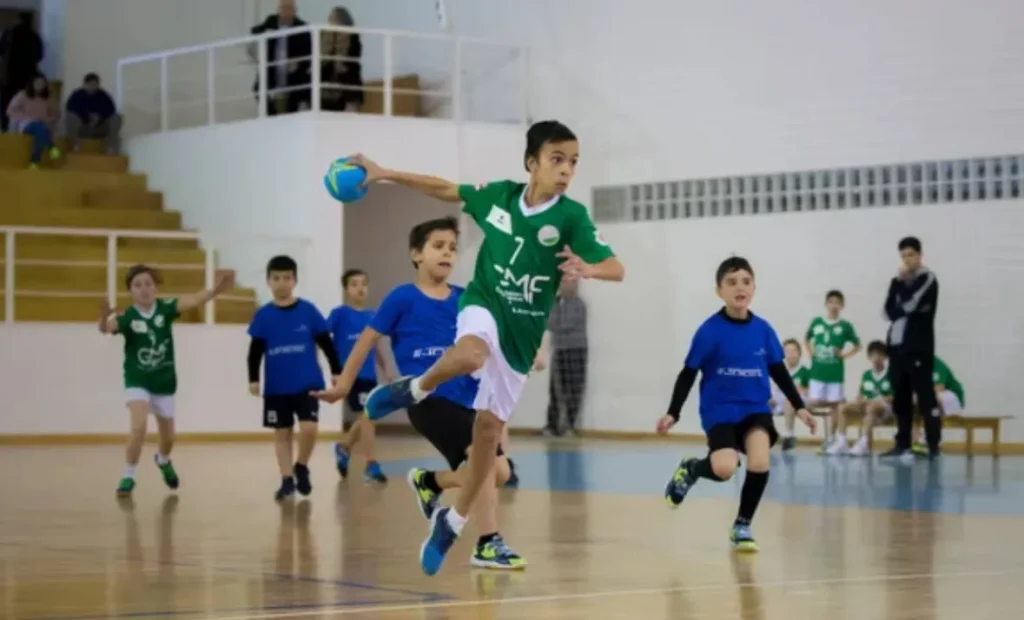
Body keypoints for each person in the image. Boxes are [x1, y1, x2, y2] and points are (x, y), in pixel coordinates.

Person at [338, 120, 625, 576]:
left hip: (521, 336)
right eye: (556, 159)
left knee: (489, 444)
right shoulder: (499, 197)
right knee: (470, 354)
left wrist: (589, 268)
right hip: (484, 303)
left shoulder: (570, 217)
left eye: (573, 162)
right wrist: (384, 172)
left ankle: (453, 522)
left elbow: (617, 267)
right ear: (531, 162)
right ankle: (413, 389)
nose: (566, 169)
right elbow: (443, 188)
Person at [313, 216, 525, 569]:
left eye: (453, 248)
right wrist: (344, 384)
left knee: (499, 472)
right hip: (428, 398)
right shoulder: (402, 297)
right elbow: (367, 340)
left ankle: (431, 481)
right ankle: (488, 543)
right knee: (482, 463)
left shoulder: (464, 298)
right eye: (438, 246)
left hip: (469, 398)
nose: (447, 253)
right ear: (416, 254)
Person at [656, 257, 816, 551]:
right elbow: (688, 373)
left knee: (758, 462)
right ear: (719, 291)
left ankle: (742, 525)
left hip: (755, 407)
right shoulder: (709, 331)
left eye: (745, 281)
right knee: (724, 468)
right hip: (720, 410)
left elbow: (778, 370)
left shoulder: (764, 330)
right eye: (731, 282)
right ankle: (692, 470)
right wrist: (673, 412)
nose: (739, 287)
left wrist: (800, 405)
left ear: (753, 287)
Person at [98, 265, 235, 497]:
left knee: (169, 437)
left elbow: (194, 300)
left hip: (164, 382)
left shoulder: (165, 309)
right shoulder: (128, 317)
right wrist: (103, 316)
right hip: (137, 380)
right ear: (130, 291)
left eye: (148, 284)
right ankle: (128, 475)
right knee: (138, 427)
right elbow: (105, 328)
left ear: (155, 287)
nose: (144, 289)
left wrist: (217, 287)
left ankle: (162, 460)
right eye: (138, 285)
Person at [247, 255, 342, 501]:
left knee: (309, 428)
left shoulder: (308, 311)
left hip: (307, 381)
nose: (281, 283)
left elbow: (326, 342)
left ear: (295, 280)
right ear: (268, 281)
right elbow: (255, 351)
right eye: (276, 278)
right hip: (277, 386)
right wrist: (253, 379)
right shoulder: (264, 315)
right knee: (282, 433)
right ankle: (287, 479)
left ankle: (301, 464)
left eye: (287, 278)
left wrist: (336, 370)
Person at [326, 268, 388, 483]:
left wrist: (386, 370)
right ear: (346, 289)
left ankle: (344, 448)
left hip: (370, 375)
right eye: (354, 284)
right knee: (368, 416)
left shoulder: (373, 315)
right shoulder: (339, 313)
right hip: (351, 374)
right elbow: (325, 341)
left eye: (363, 283)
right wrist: (335, 371)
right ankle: (371, 465)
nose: (360, 288)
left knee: (369, 417)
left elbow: (376, 346)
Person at [881, 236, 940, 459]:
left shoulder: (927, 278)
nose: (907, 260)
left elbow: (912, 304)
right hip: (896, 349)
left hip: (918, 348)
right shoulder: (897, 281)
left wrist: (902, 293)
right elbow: (886, 312)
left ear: (919, 255)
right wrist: (898, 285)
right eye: (903, 256)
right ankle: (902, 443)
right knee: (901, 398)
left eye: (911, 255)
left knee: (925, 397)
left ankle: (932, 444)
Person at [805, 290, 861, 456]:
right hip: (817, 372)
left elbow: (858, 345)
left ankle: (831, 438)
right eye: (831, 302)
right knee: (814, 402)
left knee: (836, 406)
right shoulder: (817, 322)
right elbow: (807, 338)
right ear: (826, 304)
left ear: (842, 306)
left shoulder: (845, 326)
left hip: (835, 373)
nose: (834, 305)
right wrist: (811, 351)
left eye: (837, 302)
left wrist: (844, 355)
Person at [543, 278, 588, 437]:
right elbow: (548, 322)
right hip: (559, 349)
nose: (563, 286)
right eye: (561, 283)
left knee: (574, 390)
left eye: (567, 283)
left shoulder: (579, 305)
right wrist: (556, 324)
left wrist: (557, 324)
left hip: (576, 349)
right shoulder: (554, 303)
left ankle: (569, 426)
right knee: (555, 390)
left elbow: (567, 324)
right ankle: (552, 426)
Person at [249, 0, 312, 115]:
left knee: (300, 90)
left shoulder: (302, 26)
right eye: (283, 8)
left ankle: (290, 116)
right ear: (279, 10)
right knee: (258, 88)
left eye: (289, 8)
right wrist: (266, 31)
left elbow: (308, 52)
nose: (286, 12)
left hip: (293, 71)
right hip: (273, 68)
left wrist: (298, 62)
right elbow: (254, 30)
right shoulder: (272, 21)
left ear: (295, 11)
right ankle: (272, 116)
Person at [842, 340, 893, 457]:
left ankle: (862, 443)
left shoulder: (891, 374)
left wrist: (877, 401)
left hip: (886, 407)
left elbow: (894, 396)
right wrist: (859, 400)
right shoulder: (866, 375)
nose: (876, 358)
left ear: (885, 357)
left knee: (872, 407)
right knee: (842, 407)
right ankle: (841, 441)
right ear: (869, 357)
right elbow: (860, 394)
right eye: (873, 355)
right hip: (868, 406)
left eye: (879, 355)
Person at [910, 355, 964, 455]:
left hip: (950, 398)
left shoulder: (937, 364)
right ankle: (915, 441)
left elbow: (940, 387)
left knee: (932, 398)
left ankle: (932, 437)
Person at [0, 12, 43, 132]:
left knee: (7, 104)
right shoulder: (34, 36)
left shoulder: (9, 34)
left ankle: (6, 129)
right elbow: (39, 56)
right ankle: (25, 127)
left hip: (10, 76)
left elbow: (1, 51)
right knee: (27, 102)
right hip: (28, 77)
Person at [5, 74, 60, 168]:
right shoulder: (23, 95)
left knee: (41, 130)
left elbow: (57, 113)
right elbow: (10, 110)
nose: (40, 85)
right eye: (38, 83)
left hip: (42, 124)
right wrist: (25, 117)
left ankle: (34, 162)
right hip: (27, 124)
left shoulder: (48, 98)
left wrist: (47, 119)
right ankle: (51, 148)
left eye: (42, 83)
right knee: (41, 129)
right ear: (32, 84)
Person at [64, 72, 121, 154]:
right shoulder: (76, 96)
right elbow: (70, 108)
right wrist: (87, 117)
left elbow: (111, 110)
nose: (92, 87)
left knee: (117, 118)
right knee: (69, 117)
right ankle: (76, 145)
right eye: (90, 84)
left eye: (95, 84)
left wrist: (99, 117)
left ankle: (110, 147)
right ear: (85, 84)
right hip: (83, 128)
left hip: (100, 127)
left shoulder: (103, 96)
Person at [320, 6, 364, 112]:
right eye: (330, 18)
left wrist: (341, 63)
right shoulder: (323, 35)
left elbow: (355, 56)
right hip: (327, 81)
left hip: (347, 81)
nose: (331, 20)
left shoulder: (352, 35)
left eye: (334, 18)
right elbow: (322, 58)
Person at [771, 338, 810, 451]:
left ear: (799, 353)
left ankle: (789, 434)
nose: (791, 354)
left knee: (789, 400)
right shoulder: (781, 371)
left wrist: (800, 389)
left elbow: (810, 390)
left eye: (793, 351)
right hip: (780, 399)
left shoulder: (804, 371)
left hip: (800, 400)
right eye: (787, 351)